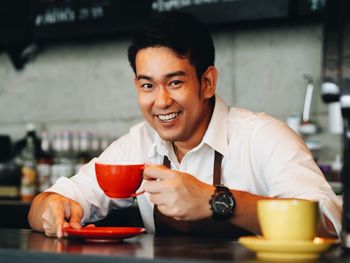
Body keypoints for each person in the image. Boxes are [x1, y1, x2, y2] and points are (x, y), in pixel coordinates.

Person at [28, 11, 342, 239]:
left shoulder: (263, 137)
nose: (161, 101)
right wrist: (51, 208)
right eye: (147, 86)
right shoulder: (138, 144)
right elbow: (44, 204)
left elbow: (329, 223)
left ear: (207, 82)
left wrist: (217, 200)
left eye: (175, 82)